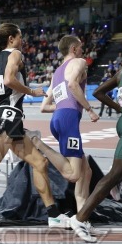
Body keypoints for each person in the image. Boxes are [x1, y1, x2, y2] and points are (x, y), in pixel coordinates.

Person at [0, 23, 70, 228]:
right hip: (9, 118)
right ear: (11, 39)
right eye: (20, 36)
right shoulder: (14, 54)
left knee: (39, 164)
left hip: (7, 117)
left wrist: (1, 94)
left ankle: (54, 215)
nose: (22, 41)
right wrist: (31, 92)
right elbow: (8, 80)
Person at [70, 34, 122, 242]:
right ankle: (79, 219)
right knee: (113, 174)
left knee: (118, 173)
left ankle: (121, 177)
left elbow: (98, 92)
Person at [29, 35, 99, 214]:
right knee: (74, 175)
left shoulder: (57, 72)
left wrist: (63, 105)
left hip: (58, 119)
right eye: (81, 47)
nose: (83, 51)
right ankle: (37, 143)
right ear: (74, 49)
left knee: (86, 172)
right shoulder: (79, 62)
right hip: (68, 120)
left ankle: (82, 218)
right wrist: (89, 109)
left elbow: (44, 107)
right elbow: (74, 85)